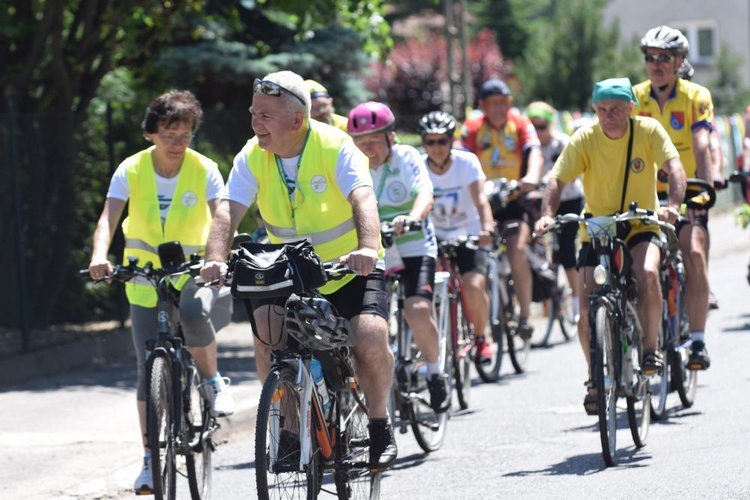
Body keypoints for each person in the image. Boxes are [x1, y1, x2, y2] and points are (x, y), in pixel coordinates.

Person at [200, 71, 398, 471]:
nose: (256, 123)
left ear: (296, 120)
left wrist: (365, 249)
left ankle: (379, 424)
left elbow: (363, 198)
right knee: (268, 338)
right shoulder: (251, 155)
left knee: (371, 340)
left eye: (266, 115)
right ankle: (289, 431)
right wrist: (215, 257)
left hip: (346, 268)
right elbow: (228, 210)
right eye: (253, 113)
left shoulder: (336, 145)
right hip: (288, 272)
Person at [87, 90, 236, 494]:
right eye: (170, 133)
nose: (177, 142)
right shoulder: (130, 169)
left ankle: (211, 381)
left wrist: (216, 257)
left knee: (191, 313)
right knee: (143, 370)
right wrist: (100, 255)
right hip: (142, 274)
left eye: (185, 134)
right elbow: (109, 218)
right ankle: (150, 461)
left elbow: (222, 215)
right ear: (152, 132)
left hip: (192, 269)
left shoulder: (204, 168)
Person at [535, 78, 687, 415]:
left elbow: (674, 168)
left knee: (647, 273)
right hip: (597, 228)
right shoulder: (585, 138)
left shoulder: (647, 130)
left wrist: (673, 204)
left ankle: (650, 350)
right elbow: (556, 179)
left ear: (631, 108)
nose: (608, 116)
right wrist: (546, 215)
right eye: (601, 110)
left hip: (640, 224)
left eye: (616, 109)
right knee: (586, 311)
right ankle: (595, 379)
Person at [347, 102, 449, 412]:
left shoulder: (405, 158)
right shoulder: (350, 163)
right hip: (375, 251)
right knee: (366, 324)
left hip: (414, 245)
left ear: (391, 138)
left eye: (374, 139)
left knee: (417, 310)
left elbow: (424, 193)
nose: (368, 147)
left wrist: (414, 216)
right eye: (360, 141)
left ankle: (435, 373)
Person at [633, 25, 715, 369]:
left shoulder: (696, 96)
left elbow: (701, 145)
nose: (656, 64)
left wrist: (705, 189)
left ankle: (697, 341)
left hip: (687, 188)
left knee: (693, 250)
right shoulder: (635, 97)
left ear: (680, 61)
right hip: (647, 190)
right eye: (650, 58)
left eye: (664, 58)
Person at [458, 79, 543, 338]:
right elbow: (456, 154)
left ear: (510, 103)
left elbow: (535, 152)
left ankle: (525, 316)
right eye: (491, 104)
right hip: (481, 200)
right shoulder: (472, 126)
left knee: (517, 250)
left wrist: (531, 177)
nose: (497, 109)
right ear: (482, 105)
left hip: (514, 199)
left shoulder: (519, 123)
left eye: (502, 103)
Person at [418, 110, 496, 362]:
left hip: (469, 233)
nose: (436, 147)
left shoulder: (467, 162)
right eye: (430, 141)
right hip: (434, 237)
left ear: (452, 141)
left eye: (442, 140)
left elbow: (481, 200)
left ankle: (482, 338)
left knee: (473, 285)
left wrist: (487, 228)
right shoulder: (417, 166)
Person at [525, 101, 584, 320]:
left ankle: (578, 301)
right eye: (533, 127)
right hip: (541, 203)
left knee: (567, 250)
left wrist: (552, 181)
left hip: (569, 200)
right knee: (540, 251)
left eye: (542, 126)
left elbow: (575, 172)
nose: (538, 132)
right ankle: (548, 302)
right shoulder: (530, 147)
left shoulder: (564, 143)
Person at [676, 58, 723, 310]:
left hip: (693, 181)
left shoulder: (696, 104)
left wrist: (714, 173)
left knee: (697, 234)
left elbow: (712, 143)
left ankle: (703, 280)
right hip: (662, 183)